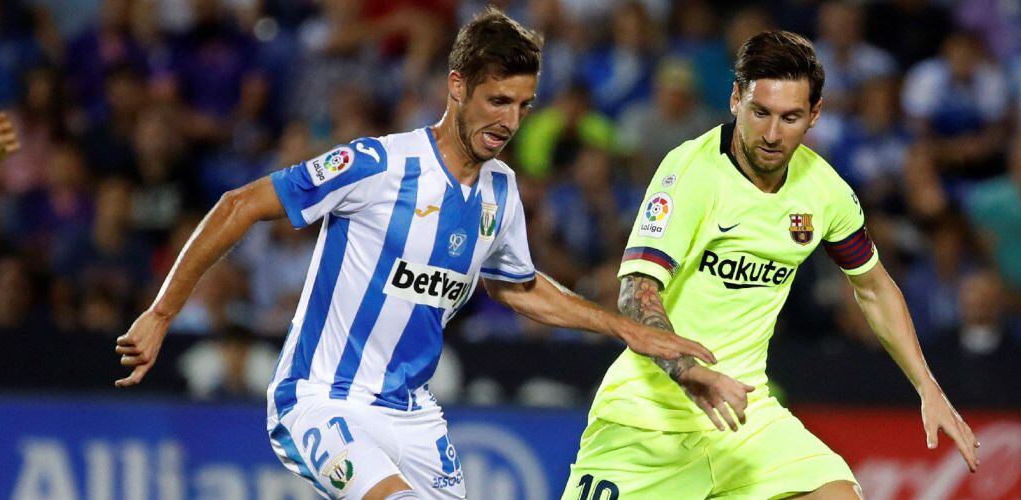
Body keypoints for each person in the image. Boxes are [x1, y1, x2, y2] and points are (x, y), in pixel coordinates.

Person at [112, 8, 715, 500]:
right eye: (497, 101)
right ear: (457, 87)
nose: (510, 121)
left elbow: (518, 285)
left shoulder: (501, 192)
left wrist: (628, 329)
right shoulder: (377, 165)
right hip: (322, 400)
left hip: (413, 417)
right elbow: (239, 204)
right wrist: (163, 312)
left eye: (523, 105)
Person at [561, 31, 980, 500]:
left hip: (745, 417)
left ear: (815, 115)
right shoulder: (691, 172)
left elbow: (873, 287)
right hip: (646, 421)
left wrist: (928, 387)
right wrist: (688, 370)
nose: (773, 134)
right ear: (736, 98)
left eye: (791, 118)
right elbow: (636, 290)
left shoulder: (823, 190)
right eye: (760, 113)